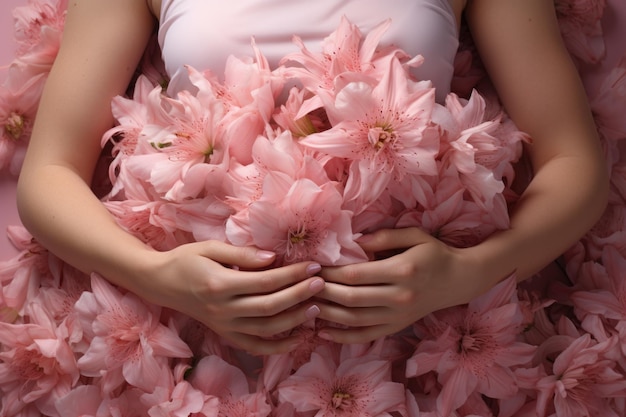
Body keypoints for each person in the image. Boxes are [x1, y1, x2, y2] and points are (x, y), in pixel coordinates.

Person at [14, 0, 608, 357]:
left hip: (415, 333)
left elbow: (573, 161)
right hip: (204, 338)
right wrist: (160, 278)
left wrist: (469, 274)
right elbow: (48, 174)